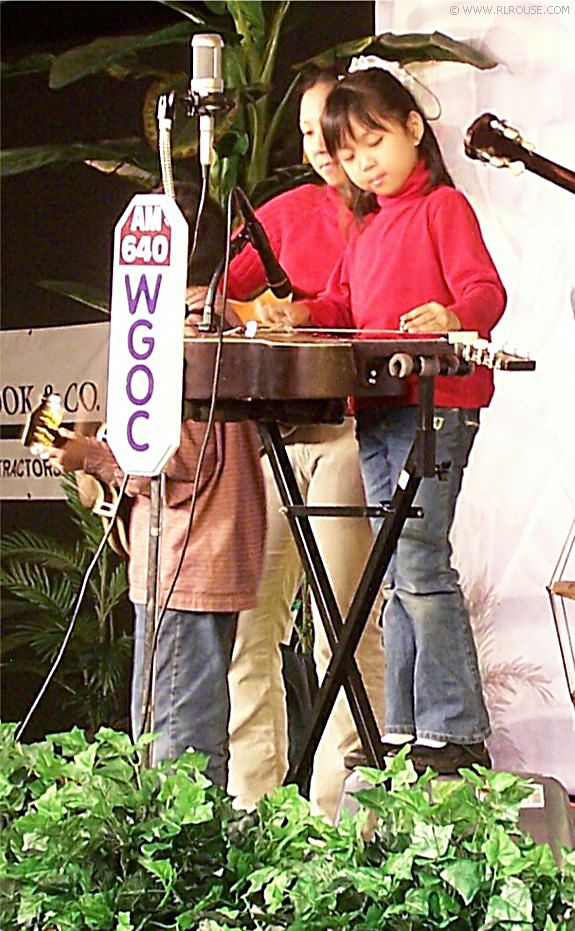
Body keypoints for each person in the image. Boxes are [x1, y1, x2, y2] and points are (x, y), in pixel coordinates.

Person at [258, 65, 507, 775]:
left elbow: (484, 291)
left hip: (435, 406)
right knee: (396, 573)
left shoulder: (441, 210)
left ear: (411, 127)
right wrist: (301, 313)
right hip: (377, 411)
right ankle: (403, 726)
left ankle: (452, 729)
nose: (365, 162)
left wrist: (452, 316)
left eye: (374, 141)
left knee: (422, 564)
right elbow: (343, 305)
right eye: (351, 154)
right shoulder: (364, 223)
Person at [47, 182, 267, 788]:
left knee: (177, 742)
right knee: (175, 726)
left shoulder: (186, 331)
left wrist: (92, 456)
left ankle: (190, 871)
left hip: (188, 561)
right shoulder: (209, 320)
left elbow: (178, 460)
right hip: (195, 557)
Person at [225, 66, 385, 820]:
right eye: (310, 133)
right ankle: (251, 805)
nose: (322, 147)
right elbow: (214, 297)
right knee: (250, 624)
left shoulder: (386, 217)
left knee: (345, 629)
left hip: (348, 435)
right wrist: (255, 309)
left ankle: (338, 811)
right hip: (265, 443)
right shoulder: (282, 212)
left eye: (335, 130)